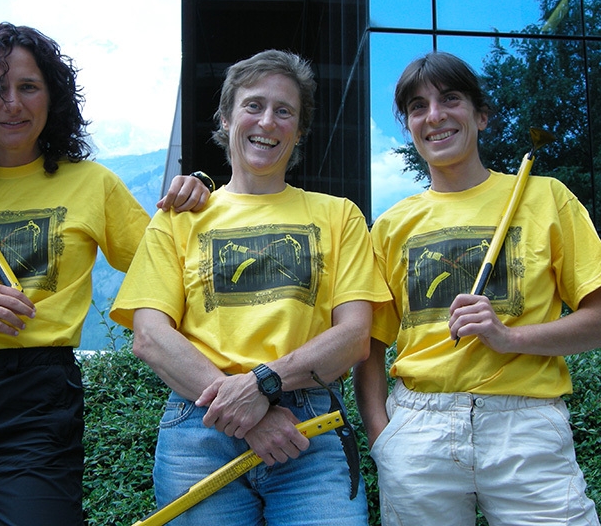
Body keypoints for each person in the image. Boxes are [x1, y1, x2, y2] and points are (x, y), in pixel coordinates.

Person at [0, 22, 208, 526]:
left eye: (27, 87)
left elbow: (171, 264)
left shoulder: (92, 184)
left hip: (35, 396)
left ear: (51, 98)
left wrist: (198, 190)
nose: (11, 103)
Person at [110, 49, 391, 525]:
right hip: (198, 429)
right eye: (253, 105)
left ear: (299, 131)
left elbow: (354, 337)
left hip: (310, 428)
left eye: (285, 111)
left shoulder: (338, 215)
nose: (268, 120)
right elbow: (150, 336)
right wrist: (247, 410)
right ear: (225, 118)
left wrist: (264, 384)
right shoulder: (178, 220)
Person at [353, 51, 601, 525]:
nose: (434, 115)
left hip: (527, 428)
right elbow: (370, 344)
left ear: (481, 115)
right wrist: (382, 435)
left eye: (449, 99)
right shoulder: (391, 226)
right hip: (419, 428)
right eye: (418, 106)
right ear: (409, 126)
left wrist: (510, 337)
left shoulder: (546, 197)